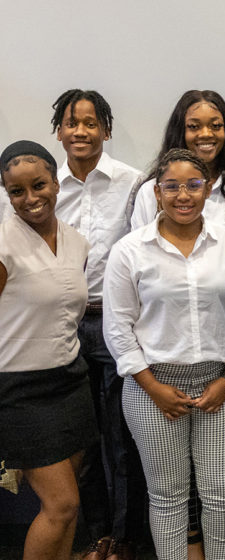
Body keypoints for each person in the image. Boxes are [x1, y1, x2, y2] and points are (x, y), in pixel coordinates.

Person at [128, 90, 225, 560]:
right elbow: (125, 306)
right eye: (195, 125)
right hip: (158, 367)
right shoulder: (143, 216)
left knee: (222, 482)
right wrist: (149, 383)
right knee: (169, 490)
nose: (206, 133)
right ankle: (186, 549)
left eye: (215, 124)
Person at [103, 148, 225, 560]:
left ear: (207, 190)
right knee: (168, 496)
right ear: (156, 192)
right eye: (172, 186)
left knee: (222, 493)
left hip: (220, 384)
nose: (182, 195)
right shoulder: (130, 251)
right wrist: (153, 387)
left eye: (193, 184)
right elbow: (118, 329)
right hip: (152, 385)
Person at [49, 89, 147, 560]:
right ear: (60, 130)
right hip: (63, 326)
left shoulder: (133, 183)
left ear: (106, 129)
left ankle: (125, 539)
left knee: (123, 439)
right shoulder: (45, 184)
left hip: (116, 323)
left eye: (91, 123)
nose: (81, 132)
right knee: (79, 442)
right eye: (72, 123)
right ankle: (96, 535)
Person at [0, 140, 97, 560]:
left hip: (70, 381)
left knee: (68, 506)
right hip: (19, 388)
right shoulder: (2, 244)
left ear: (56, 184)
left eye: (38, 185)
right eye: (16, 191)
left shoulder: (78, 242)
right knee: (61, 505)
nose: (30, 199)